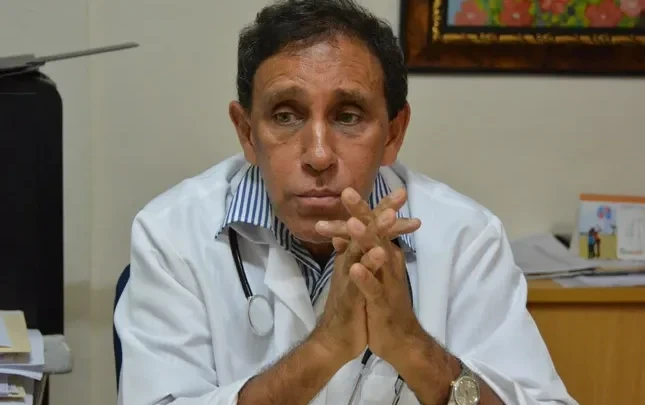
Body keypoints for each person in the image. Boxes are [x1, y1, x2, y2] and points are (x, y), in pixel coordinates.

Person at [114, 1, 577, 404]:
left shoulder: (465, 236)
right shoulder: (172, 233)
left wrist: (413, 347)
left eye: (348, 116)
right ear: (247, 132)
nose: (318, 155)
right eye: (286, 115)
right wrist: (324, 348)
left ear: (393, 133)